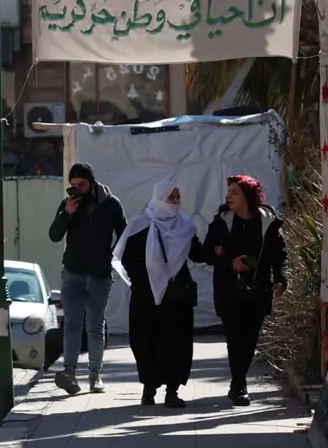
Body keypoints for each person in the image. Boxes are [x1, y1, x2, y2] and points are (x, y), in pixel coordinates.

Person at [112, 180, 206, 409]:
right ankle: (149, 387)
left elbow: (197, 253)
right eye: (170, 197)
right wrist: (146, 282)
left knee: (177, 343)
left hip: (176, 296)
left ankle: (172, 391)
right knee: (145, 341)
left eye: (177, 197)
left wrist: (219, 250)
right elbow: (126, 258)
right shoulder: (139, 225)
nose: (174, 201)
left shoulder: (185, 226)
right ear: (158, 198)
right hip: (146, 296)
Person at [203, 175, 287, 407]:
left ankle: (239, 380)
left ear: (248, 196)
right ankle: (239, 384)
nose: (229, 196)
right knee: (235, 335)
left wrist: (281, 278)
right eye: (228, 192)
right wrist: (231, 263)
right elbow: (207, 254)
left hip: (258, 288)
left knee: (250, 338)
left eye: (235, 192)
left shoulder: (267, 221)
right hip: (228, 289)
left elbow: (279, 255)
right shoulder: (221, 222)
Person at [47, 162, 127, 395]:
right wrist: (66, 214)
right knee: (72, 323)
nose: (76, 189)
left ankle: (95, 374)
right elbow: (53, 235)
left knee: (95, 325)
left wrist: (112, 258)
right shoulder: (68, 204)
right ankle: (69, 372)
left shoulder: (111, 204)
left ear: (91, 183)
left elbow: (124, 234)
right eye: (72, 185)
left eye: (81, 184)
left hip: (100, 275)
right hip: (73, 273)